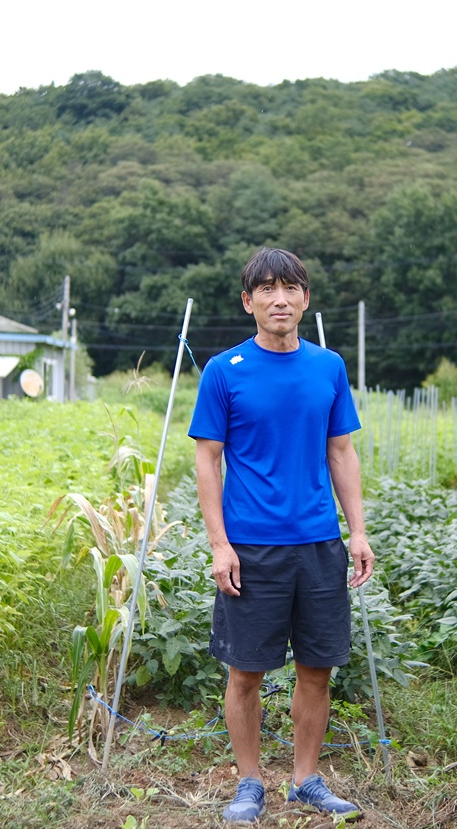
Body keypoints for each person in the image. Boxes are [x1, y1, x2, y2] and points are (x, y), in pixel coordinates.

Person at [188, 247, 373, 823]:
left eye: (290, 288)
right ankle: (249, 784)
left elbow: (341, 451)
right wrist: (220, 544)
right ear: (248, 302)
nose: (279, 299)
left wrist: (358, 532)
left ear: (305, 298)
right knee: (245, 670)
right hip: (251, 549)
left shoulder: (328, 367)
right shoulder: (224, 371)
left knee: (317, 669)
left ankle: (306, 779)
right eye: (266, 290)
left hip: (319, 544)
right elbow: (206, 462)